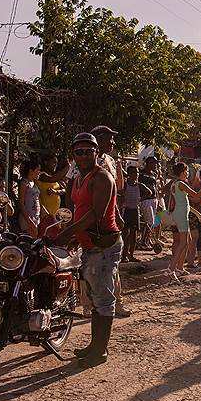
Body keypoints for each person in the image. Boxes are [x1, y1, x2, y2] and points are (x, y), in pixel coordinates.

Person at [55, 133, 121, 368]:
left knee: (103, 298)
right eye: (78, 152)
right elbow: (79, 210)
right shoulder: (80, 178)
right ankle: (94, 346)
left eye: (88, 151)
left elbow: (96, 214)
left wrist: (67, 233)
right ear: (73, 155)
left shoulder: (102, 178)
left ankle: (100, 351)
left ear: (96, 153)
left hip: (103, 245)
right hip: (89, 244)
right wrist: (75, 236)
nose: (83, 156)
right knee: (94, 297)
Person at [90, 125, 130, 318]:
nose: (113, 142)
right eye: (109, 138)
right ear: (98, 139)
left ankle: (117, 302)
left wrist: (119, 167)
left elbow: (117, 189)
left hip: (109, 219)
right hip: (88, 220)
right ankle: (87, 305)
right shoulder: (83, 160)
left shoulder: (110, 161)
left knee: (112, 263)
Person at [166, 162, 201, 282]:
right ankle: (171, 269)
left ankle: (180, 268)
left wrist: (197, 213)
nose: (187, 173)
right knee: (183, 243)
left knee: (188, 241)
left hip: (180, 214)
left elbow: (185, 203)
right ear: (181, 172)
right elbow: (198, 196)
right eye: (186, 171)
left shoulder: (176, 184)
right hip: (181, 217)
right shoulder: (181, 184)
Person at [121, 166, 151, 263]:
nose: (136, 175)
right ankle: (124, 255)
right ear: (129, 174)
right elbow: (120, 193)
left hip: (135, 211)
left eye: (137, 172)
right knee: (125, 234)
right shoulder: (125, 185)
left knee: (133, 234)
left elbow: (150, 192)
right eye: (134, 172)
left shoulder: (139, 185)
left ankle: (131, 255)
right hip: (126, 211)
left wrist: (140, 199)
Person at [138, 156, 161, 249]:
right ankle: (143, 242)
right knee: (149, 221)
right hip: (145, 199)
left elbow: (155, 187)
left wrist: (158, 201)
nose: (155, 164)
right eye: (153, 162)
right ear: (148, 163)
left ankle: (147, 241)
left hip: (154, 199)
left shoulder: (154, 174)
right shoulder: (141, 174)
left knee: (153, 222)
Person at [36, 153, 65, 220]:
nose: (56, 165)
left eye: (57, 163)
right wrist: (68, 167)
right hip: (45, 211)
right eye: (53, 162)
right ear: (46, 162)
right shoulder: (41, 175)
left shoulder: (55, 176)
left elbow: (64, 190)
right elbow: (51, 179)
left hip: (56, 211)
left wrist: (56, 191)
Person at [18, 158, 41, 238]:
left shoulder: (34, 183)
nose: (39, 172)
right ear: (31, 171)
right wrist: (29, 221)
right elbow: (21, 203)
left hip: (36, 217)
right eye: (37, 170)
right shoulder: (25, 183)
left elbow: (37, 200)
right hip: (27, 218)